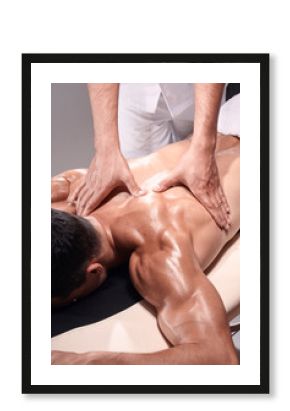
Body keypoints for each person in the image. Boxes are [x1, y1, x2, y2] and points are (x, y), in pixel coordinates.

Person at [51, 130, 240, 365]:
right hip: (231, 123)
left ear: (95, 272)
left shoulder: (160, 253)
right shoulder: (72, 186)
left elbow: (220, 357)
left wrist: (86, 362)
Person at [68, 83, 231, 230]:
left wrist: (204, 146)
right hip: (137, 87)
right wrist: (105, 150)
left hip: (201, 88)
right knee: (128, 195)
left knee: (203, 184)